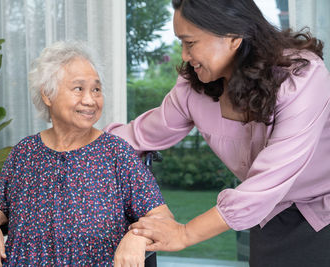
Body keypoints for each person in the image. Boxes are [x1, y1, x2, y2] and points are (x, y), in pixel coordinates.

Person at [105, 0, 330, 266]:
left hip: (322, 213)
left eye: (190, 43)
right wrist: (76, 145)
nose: (184, 55)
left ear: (233, 37)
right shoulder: (194, 88)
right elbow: (140, 135)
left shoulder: (301, 78)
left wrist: (185, 233)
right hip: (266, 215)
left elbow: (267, 183)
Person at [0, 41, 171, 267]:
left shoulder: (116, 153)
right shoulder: (24, 152)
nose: (90, 100)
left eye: (96, 89)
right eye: (79, 88)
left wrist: (137, 236)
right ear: (48, 95)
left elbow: (163, 218)